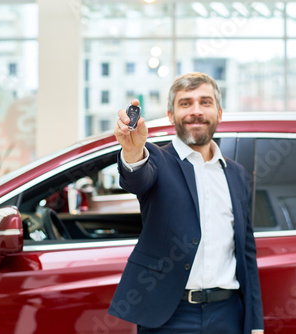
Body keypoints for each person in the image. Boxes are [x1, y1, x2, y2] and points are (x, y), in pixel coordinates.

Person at [108, 72, 264, 333]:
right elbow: (137, 178)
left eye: (205, 102)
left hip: (227, 315)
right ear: (171, 115)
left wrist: (255, 324)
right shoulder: (157, 160)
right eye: (185, 103)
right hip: (169, 318)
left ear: (219, 112)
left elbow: (246, 252)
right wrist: (133, 150)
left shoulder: (236, 173)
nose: (196, 111)